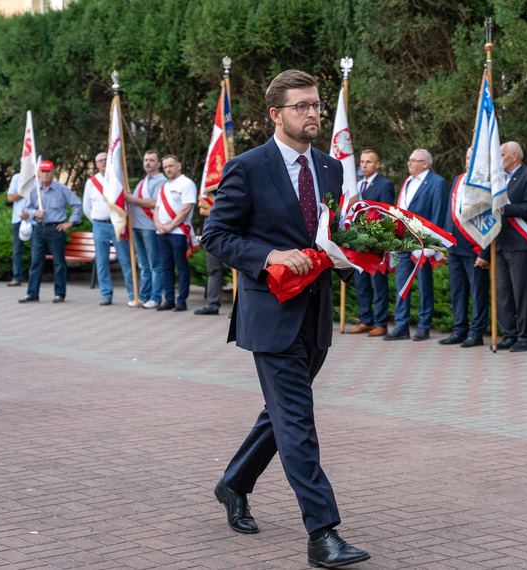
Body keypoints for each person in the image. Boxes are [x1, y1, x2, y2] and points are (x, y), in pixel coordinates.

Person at [201, 69, 369, 568]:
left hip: (315, 315)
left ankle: (233, 483)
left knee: (281, 413)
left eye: (316, 104)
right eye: (302, 106)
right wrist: (270, 255)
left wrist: (367, 251)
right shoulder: (247, 168)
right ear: (276, 114)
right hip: (270, 315)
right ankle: (323, 533)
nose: (313, 113)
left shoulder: (331, 169)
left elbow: (330, 235)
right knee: (297, 421)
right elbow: (216, 235)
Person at [475, 141, 527, 352]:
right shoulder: (497, 179)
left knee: (520, 292)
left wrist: (504, 208)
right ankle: (509, 334)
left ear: (514, 156)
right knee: (502, 293)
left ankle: (525, 337)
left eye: (502, 155)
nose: (498, 159)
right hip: (500, 242)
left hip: (520, 243)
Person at [384, 149, 448, 341]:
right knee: (402, 284)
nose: (409, 163)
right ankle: (401, 325)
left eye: (414, 160)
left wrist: (432, 242)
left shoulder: (437, 183)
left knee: (424, 285)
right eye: (409, 160)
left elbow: (438, 213)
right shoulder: (407, 181)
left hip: (423, 243)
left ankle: (423, 326)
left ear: (425, 164)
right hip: (404, 241)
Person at [440, 147, 490, 347]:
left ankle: (476, 332)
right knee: (458, 291)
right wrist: (444, 240)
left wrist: (485, 251)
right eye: (467, 157)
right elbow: (449, 212)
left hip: (475, 247)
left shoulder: (485, 183)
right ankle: (459, 330)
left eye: (473, 158)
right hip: (455, 246)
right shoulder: (458, 179)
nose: (468, 161)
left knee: (478, 292)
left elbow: (490, 219)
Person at [345, 148, 395, 336]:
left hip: (376, 244)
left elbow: (387, 214)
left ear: (377, 165)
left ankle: (381, 323)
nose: (364, 165)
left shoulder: (385, 185)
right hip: (359, 244)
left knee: (378, 285)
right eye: (362, 162)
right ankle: (365, 320)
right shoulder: (356, 186)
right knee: (361, 283)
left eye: (368, 162)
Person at [18, 161, 83, 303]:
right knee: (36, 262)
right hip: (39, 228)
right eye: (43, 171)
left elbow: (77, 204)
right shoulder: (35, 190)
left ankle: (59, 294)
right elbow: (27, 209)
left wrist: (70, 223)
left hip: (56, 229)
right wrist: (35, 212)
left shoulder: (61, 188)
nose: (45, 174)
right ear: (39, 173)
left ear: (53, 173)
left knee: (59, 263)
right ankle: (32, 294)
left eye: (48, 171)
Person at [82, 152, 136, 307]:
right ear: (96, 164)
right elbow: (86, 207)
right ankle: (106, 294)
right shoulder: (91, 182)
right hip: (100, 225)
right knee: (102, 260)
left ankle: (133, 294)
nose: (104, 162)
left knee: (126, 260)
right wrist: (98, 219)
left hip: (118, 224)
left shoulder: (120, 179)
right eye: (100, 161)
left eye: (106, 160)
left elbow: (127, 201)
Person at [153, 155, 197, 312]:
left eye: (171, 166)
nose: (168, 169)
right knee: (166, 267)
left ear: (179, 166)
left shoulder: (187, 184)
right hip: (162, 232)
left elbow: (186, 208)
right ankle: (169, 299)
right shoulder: (163, 187)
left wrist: (171, 225)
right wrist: (158, 225)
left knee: (181, 267)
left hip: (178, 231)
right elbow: (157, 208)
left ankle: (182, 300)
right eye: (165, 167)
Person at [124, 150, 167, 309]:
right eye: (146, 160)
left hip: (150, 227)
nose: (148, 162)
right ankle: (144, 295)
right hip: (136, 227)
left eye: (151, 160)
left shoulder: (161, 181)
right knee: (143, 264)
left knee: (154, 264)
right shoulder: (143, 182)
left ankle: (156, 297)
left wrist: (131, 198)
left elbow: (154, 202)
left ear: (158, 164)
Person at [195, 194, 224, 316]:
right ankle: (212, 304)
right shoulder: (210, 182)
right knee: (213, 269)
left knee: (241, 272)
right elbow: (202, 209)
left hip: (237, 230)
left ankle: (238, 308)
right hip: (215, 231)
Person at [6, 172, 27, 286]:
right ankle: (16, 277)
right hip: (18, 218)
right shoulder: (17, 177)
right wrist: (25, 191)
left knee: (37, 250)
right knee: (17, 249)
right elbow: (10, 197)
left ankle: (35, 276)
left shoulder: (38, 176)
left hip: (35, 219)